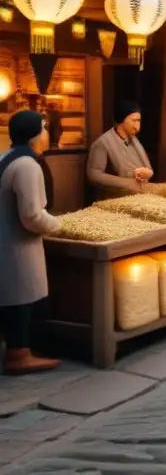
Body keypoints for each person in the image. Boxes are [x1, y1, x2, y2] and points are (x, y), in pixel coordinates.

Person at [0, 110, 61, 374]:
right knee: (21, 297)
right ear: (35, 134)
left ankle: (16, 349)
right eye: (44, 128)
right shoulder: (27, 165)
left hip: (6, 239)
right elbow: (32, 215)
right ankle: (19, 354)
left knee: (12, 295)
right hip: (17, 243)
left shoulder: (6, 156)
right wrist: (58, 225)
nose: (47, 133)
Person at [86, 100, 154, 200]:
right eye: (134, 121)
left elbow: (147, 168)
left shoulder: (134, 140)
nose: (137, 127)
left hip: (139, 197)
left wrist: (147, 173)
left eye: (139, 121)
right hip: (114, 200)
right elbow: (94, 175)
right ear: (122, 120)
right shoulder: (103, 143)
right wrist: (128, 183)